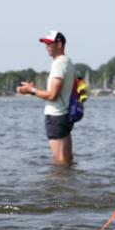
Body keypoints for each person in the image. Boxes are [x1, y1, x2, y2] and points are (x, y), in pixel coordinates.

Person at [17, 31, 75, 165]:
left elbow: (53, 95)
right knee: (67, 159)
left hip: (56, 117)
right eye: (45, 43)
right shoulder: (68, 62)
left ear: (59, 44)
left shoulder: (59, 64)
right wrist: (33, 90)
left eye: (49, 43)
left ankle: (60, 179)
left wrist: (31, 91)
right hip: (65, 115)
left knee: (59, 161)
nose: (46, 46)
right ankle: (70, 178)